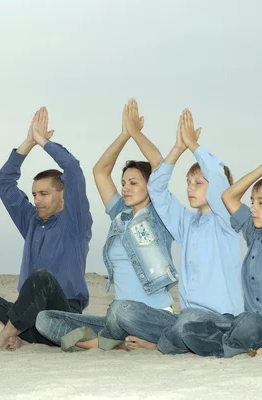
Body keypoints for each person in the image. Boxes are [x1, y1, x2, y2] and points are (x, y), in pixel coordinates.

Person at [35, 99, 179, 351]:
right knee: (46, 319)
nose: (125, 188)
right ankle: (113, 343)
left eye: (133, 183)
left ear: (151, 185)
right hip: (117, 320)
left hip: (148, 316)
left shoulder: (160, 215)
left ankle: (101, 342)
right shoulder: (120, 216)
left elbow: (158, 162)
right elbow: (100, 171)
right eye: (124, 183)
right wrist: (124, 134)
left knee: (121, 310)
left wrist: (136, 133)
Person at [0, 107, 93, 350]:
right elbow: (3, 181)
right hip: (25, 320)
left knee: (42, 277)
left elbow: (73, 169)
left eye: (44, 194)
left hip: (62, 319)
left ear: (63, 196)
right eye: (34, 194)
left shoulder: (74, 223)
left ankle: (0, 340)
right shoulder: (31, 220)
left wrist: (43, 141)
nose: (37, 200)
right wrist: (28, 143)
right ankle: (7, 334)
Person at [103, 103, 244, 354]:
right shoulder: (187, 223)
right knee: (122, 310)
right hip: (188, 317)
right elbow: (156, 188)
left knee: (187, 324)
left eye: (198, 183)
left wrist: (193, 145)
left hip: (221, 319)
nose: (190, 188)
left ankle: (168, 342)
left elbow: (217, 175)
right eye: (188, 182)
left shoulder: (226, 220)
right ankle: (168, 341)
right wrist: (178, 148)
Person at [180, 133, 262, 357]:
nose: (253, 208)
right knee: (191, 329)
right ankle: (247, 347)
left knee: (248, 324)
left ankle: (244, 346)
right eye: (252, 202)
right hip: (250, 322)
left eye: (261, 203)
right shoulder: (254, 234)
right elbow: (229, 197)